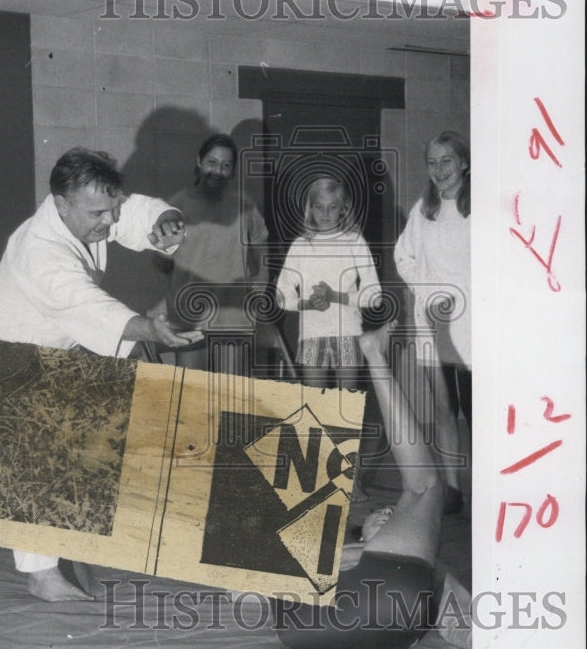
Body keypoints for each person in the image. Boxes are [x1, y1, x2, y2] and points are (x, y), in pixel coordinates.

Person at [0, 148, 202, 602]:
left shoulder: (87, 208)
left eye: (110, 207)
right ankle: (41, 573)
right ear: (61, 204)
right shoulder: (41, 254)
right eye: (98, 213)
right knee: (38, 455)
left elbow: (133, 212)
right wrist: (147, 327)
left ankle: (74, 541)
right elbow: (87, 306)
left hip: (49, 351)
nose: (108, 221)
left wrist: (165, 218)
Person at [272, 321, 471, 649]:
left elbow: (458, 622)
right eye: (384, 513)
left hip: (338, 622)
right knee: (425, 489)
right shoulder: (389, 558)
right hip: (308, 620)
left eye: (387, 515)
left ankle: (373, 355)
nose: (389, 513)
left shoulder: (420, 568)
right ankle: (374, 355)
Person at [393, 130, 471, 515]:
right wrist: (429, 291)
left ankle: (490, 487)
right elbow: (402, 257)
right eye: (432, 162)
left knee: (478, 413)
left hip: (474, 328)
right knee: (443, 411)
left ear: (463, 163)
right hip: (431, 324)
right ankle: (453, 490)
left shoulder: (482, 210)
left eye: (447, 161)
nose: (439, 169)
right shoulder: (423, 211)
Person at [161, 133, 269, 373]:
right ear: (199, 162)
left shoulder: (245, 204)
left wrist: (260, 284)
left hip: (234, 317)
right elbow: (161, 261)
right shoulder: (176, 205)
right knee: (192, 398)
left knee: (230, 399)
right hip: (189, 317)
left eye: (226, 165)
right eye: (212, 162)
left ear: (232, 171)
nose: (217, 170)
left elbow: (262, 244)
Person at [275, 175, 383, 390]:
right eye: (319, 207)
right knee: (316, 406)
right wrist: (307, 304)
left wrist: (336, 297)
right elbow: (281, 293)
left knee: (347, 405)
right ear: (310, 208)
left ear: (343, 208)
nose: (325, 214)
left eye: (332, 207)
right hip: (312, 334)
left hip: (348, 333)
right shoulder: (301, 246)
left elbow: (374, 295)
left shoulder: (354, 241)